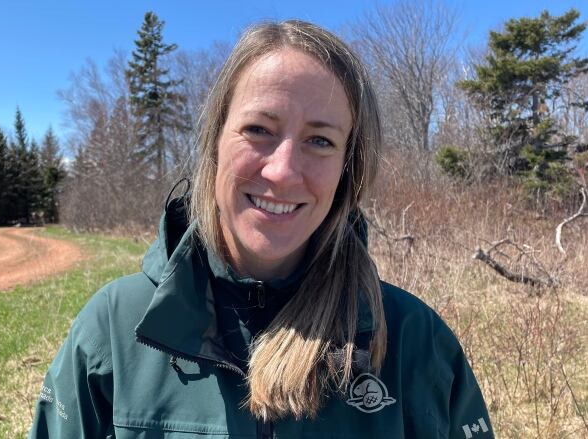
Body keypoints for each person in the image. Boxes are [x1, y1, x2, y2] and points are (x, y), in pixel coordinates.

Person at [29, 19, 494, 438]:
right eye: (258, 129)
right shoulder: (113, 330)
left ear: (346, 170)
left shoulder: (415, 342)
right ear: (215, 145)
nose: (283, 171)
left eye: (319, 140)